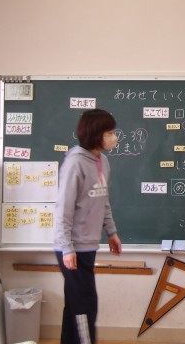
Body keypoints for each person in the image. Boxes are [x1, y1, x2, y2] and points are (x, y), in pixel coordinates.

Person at [53, 109, 123, 344]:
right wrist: (67, 248)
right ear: (96, 134)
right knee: (85, 305)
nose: (114, 137)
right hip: (73, 248)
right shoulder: (75, 163)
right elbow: (63, 208)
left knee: (75, 305)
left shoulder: (102, 161)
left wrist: (111, 232)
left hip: (88, 245)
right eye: (109, 133)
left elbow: (102, 200)